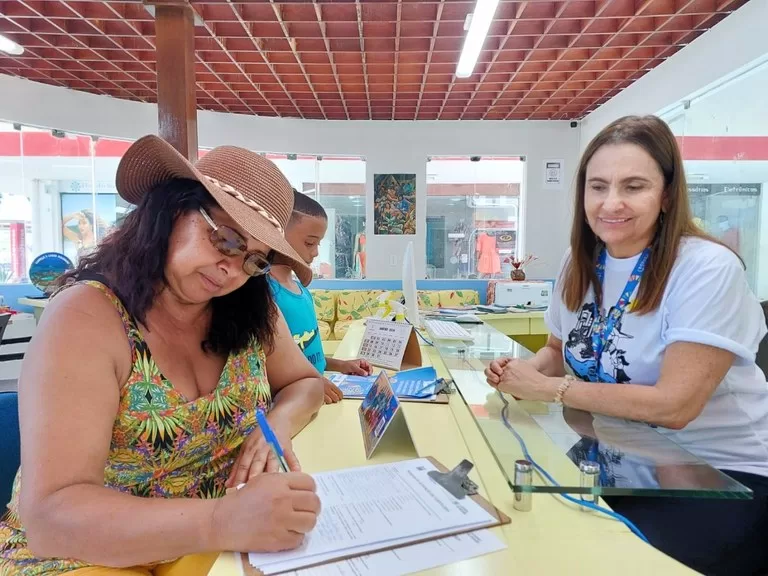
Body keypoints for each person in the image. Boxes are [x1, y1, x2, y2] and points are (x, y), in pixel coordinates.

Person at [0, 136, 325, 575]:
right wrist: (221, 520)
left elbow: (306, 383)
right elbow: (50, 518)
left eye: (253, 261)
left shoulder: (249, 309)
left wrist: (278, 427)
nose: (233, 269)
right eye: (227, 240)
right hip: (82, 555)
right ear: (172, 211)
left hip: (216, 541)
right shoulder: (86, 317)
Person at [485, 115, 768, 576]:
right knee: (525, 534)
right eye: (598, 187)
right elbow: (557, 351)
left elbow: (675, 406)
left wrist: (549, 390)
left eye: (633, 186)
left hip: (723, 474)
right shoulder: (579, 261)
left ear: (667, 194)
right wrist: (524, 373)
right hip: (624, 455)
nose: (611, 203)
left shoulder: (706, 267)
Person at [268, 191, 372, 404]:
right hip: (293, 402)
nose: (315, 252)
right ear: (278, 234)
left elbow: (308, 354)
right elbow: (267, 365)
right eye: (309, 243)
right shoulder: (265, 294)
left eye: (318, 244)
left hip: (318, 397)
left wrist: (341, 365)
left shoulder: (301, 290)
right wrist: (310, 383)